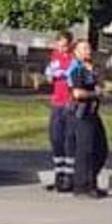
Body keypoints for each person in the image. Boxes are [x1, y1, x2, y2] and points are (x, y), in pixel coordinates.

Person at [65, 40, 109, 199]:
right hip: (81, 114)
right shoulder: (77, 70)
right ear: (75, 52)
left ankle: (91, 182)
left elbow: (100, 84)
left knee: (101, 149)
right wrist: (96, 94)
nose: (88, 51)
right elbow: (77, 93)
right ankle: (82, 187)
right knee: (85, 151)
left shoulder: (91, 69)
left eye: (89, 48)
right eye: (84, 48)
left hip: (93, 113)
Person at [44, 31, 76, 192]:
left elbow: (73, 76)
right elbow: (49, 77)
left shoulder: (74, 58)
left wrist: (64, 74)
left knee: (69, 138)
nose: (62, 48)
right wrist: (51, 73)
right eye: (60, 45)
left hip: (70, 102)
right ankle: (59, 174)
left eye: (65, 45)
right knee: (56, 138)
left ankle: (69, 176)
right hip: (57, 101)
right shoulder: (54, 57)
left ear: (70, 44)